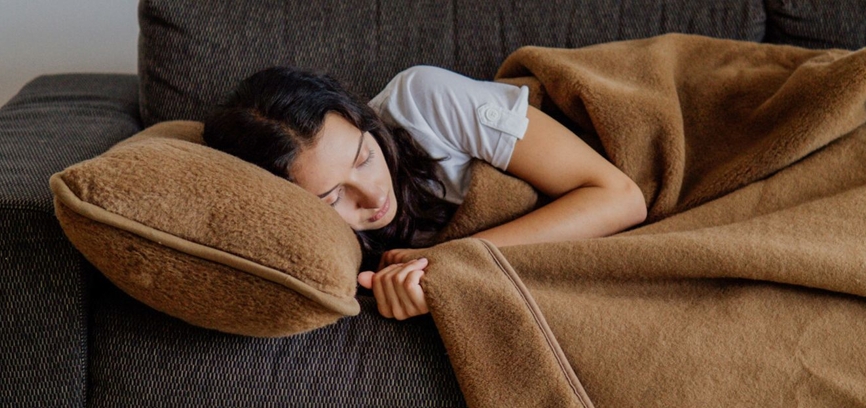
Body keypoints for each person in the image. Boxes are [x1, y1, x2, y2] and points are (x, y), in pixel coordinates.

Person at [203, 64, 647, 322]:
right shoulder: (318, 247)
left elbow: (620, 196)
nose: (373, 195)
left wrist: (449, 264)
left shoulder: (423, 103)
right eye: (332, 197)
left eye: (364, 158)